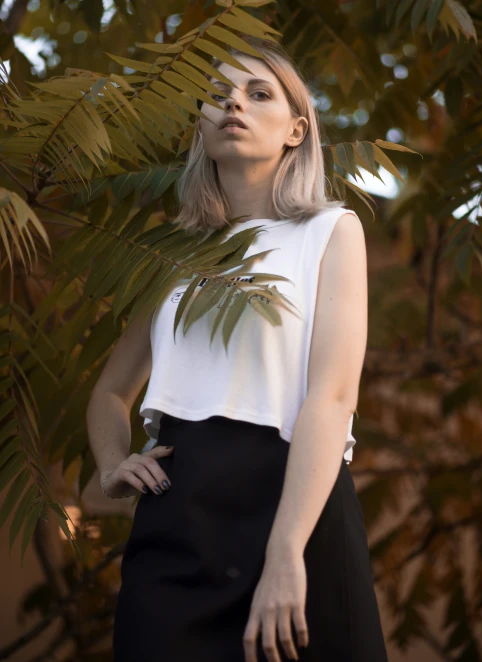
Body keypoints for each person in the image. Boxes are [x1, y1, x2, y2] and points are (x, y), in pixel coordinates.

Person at [86, 35, 388, 662]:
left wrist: (286, 551)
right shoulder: (171, 253)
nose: (234, 104)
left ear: (296, 130)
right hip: (179, 514)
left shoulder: (332, 231)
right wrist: (112, 464)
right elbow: (110, 392)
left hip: (296, 503)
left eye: (258, 93)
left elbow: (332, 398)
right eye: (218, 94)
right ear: (200, 127)